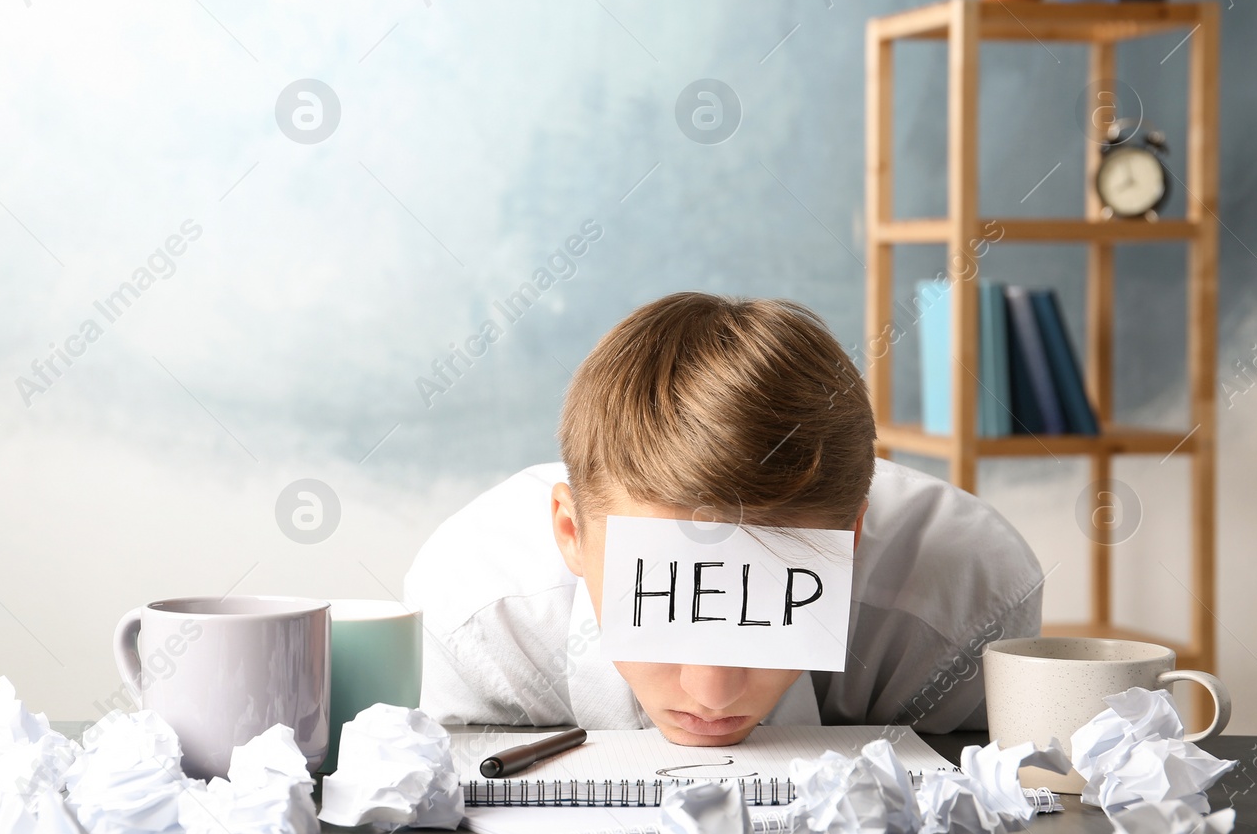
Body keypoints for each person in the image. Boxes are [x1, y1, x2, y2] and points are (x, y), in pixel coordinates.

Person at [403, 292, 1042, 745]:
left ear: (850, 541)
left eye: (770, 598)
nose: (711, 694)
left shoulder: (969, 612)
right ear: (570, 533)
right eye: (660, 598)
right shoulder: (478, 618)